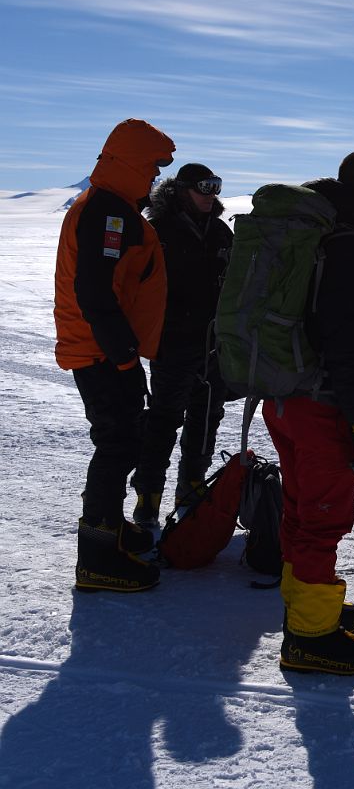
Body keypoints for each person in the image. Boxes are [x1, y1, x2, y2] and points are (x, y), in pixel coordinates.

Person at [269, 151, 354, 675]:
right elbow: (352, 345)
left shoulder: (309, 232)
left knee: (300, 508)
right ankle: (310, 638)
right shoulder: (349, 245)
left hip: (281, 394)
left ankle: (305, 606)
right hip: (321, 403)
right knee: (322, 517)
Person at [54, 118, 175, 592]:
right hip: (101, 350)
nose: (155, 178)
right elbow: (95, 292)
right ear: (132, 163)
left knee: (121, 439)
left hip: (102, 347)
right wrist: (124, 356)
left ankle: (110, 527)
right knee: (117, 443)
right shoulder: (106, 211)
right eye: (152, 168)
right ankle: (99, 556)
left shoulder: (111, 206)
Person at [129, 163, 233, 525]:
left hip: (213, 343)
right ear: (182, 190)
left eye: (216, 187)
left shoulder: (220, 232)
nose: (211, 195)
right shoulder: (159, 230)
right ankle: (148, 495)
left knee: (206, 418)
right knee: (164, 418)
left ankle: (191, 484)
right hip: (172, 341)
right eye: (204, 188)